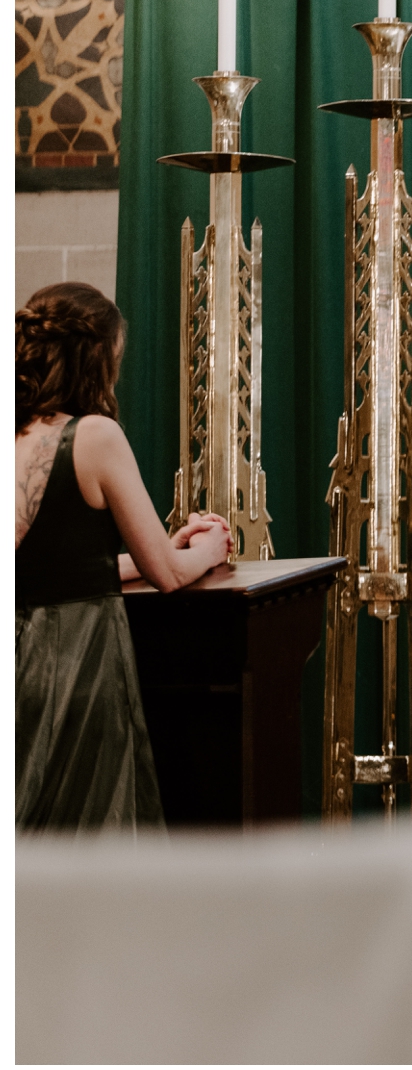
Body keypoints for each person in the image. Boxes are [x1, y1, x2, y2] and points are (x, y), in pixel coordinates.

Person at [16, 282, 232, 832]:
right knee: (85, 832)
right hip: (74, 664)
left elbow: (56, 567)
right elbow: (169, 576)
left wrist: (161, 545)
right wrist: (208, 547)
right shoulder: (94, 436)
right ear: (96, 359)